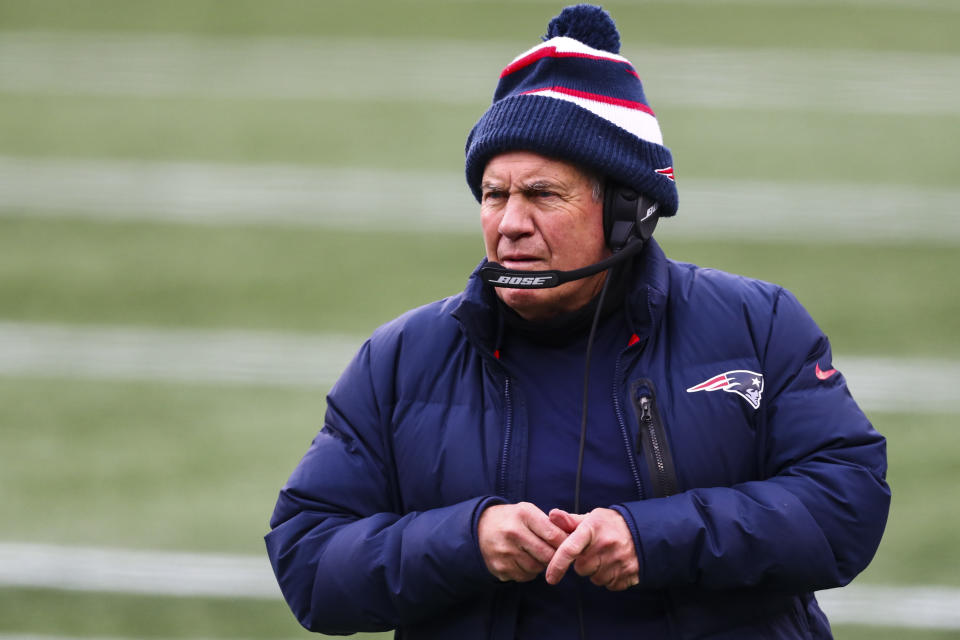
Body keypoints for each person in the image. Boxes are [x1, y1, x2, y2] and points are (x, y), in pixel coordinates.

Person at [265, 5, 890, 639]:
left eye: (541, 194)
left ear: (628, 212)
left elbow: (847, 501)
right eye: (493, 194)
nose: (509, 223)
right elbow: (308, 560)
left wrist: (652, 539)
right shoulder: (400, 359)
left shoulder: (758, 325)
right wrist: (467, 540)